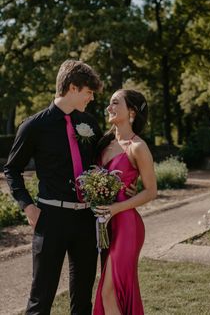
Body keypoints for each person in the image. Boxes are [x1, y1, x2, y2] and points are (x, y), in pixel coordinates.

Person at [3, 59, 104, 315]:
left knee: (82, 298)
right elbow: (12, 170)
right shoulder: (34, 126)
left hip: (85, 218)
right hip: (51, 218)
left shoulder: (90, 124)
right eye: (88, 92)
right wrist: (28, 207)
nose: (91, 98)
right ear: (72, 88)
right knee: (41, 298)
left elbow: (98, 164)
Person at [93, 89, 157, 315]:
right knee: (110, 292)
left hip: (127, 226)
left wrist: (115, 208)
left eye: (114, 103)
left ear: (131, 111)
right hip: (105, 226)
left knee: (108, 292)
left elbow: (151, 191)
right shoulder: (104, 143)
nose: (109, 108)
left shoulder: (138, 147)